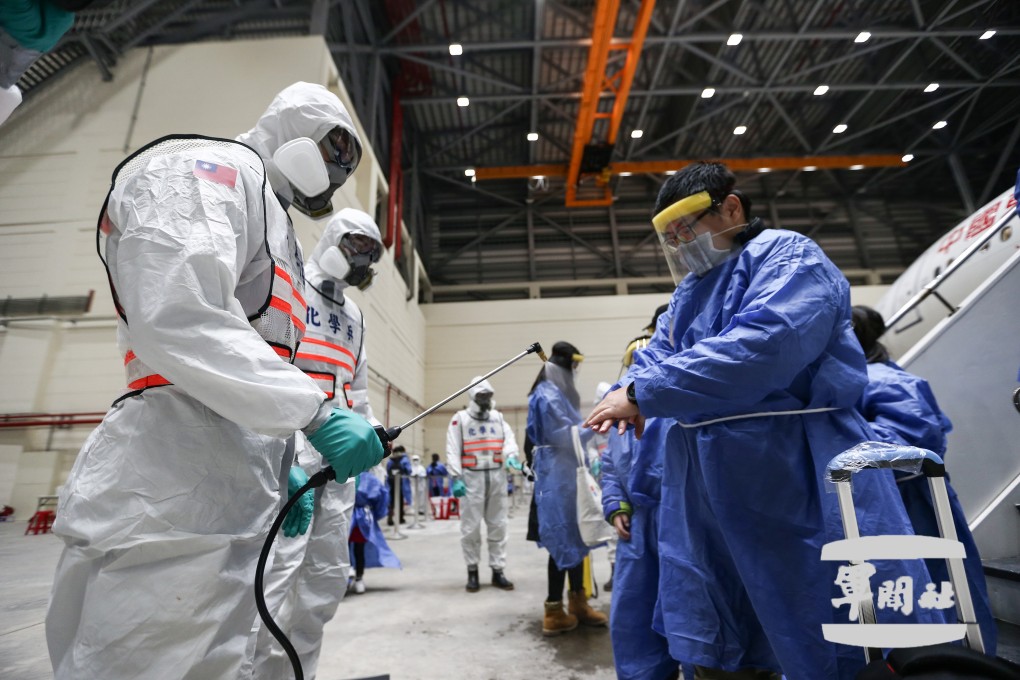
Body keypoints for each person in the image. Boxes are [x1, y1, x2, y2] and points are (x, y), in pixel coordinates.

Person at [45, 82, 384, 679]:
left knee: (225, 649)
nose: (334, 173)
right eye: (333, 150)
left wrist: (283, 458)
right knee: (151, 654)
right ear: (292, 130)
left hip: (234, 472)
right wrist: (315, 414)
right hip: (172, 473)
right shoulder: (205, 171)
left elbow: (258, 350)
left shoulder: (274, 220)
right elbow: (180, 313)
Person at [584, 162, 942, 679]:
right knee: (717, 625)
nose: (683, 246)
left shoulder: (788, 256)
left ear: (731, 208)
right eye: (672, 238)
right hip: (705, 484)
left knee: (815, 612)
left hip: (789, 468)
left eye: (689, 230)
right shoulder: (688, 293)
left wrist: (643, 392)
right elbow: (655, 357)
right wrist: (630, 389)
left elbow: (766, 344)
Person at [248, 208, 385, 680]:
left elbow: (358, 389)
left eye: (371, 252)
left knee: (324, 580)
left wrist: (373, 448)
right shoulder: (288, 286)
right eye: (355, 245)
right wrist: (272, 448)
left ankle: (294, 674)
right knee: (273, 576)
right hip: (290, 453)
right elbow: (260, 366)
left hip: (339, 459)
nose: (363, 260)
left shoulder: (355, 316)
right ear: (331, 238)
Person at [851, 305, 997, 654]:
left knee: (935, 595)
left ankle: (956, 666)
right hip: (886, 509)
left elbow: (913, 439)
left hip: (911, 508)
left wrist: (831, 438)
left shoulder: (886, 381)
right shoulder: (865, 381)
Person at [601, 312, 679, 680]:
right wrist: (616, 505)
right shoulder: (618, 407)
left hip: (683, 519)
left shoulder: (680, 398)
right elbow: (609, 463)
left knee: (695, 616)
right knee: (634, 619)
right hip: (638, 525)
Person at [527, 342, 608, 636]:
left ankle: (578, 603)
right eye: (574, 366)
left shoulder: (557, 393)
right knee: (561, 540)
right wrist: (597, 423)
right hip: (557, 476)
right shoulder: (547, 395)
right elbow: (560, 435)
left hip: (567, 473)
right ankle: (553, 610)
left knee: (577, 536)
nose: (576, 372)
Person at [446, 378, 519, 592]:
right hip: (471, 480)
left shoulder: (498, 419)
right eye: (481, 396)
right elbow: (452, 448)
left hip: (496, 477)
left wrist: (512, 455)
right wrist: (456, 476)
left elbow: (509, 440)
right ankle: (472, 571)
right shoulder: (460, 420)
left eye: (488, 395)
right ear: (472, 397)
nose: (485, 400)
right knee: (470, 528)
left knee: (499, 525)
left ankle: (498, 571)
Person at [349, 469, 402, 594]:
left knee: (355, 547)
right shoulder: (370, 478)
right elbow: (382, 500)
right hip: (354, 515)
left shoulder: (362, 477)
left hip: (359, 517)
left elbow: (381, 497)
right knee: (353, 548)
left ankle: (357, 576)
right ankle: (354, 576)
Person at [588, 381, 616, 592]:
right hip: (604, 481)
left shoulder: (622, 416)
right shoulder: (594, 424)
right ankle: (615, 571)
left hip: (622, 478)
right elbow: (587, 446)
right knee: (612, 526)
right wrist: (594, 460)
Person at [387, 445, 412, 525]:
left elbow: (388, 471)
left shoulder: (390, 460)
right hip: (402, 483)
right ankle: (400, 518)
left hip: (391, 483)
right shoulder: (405, 459)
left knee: (391, 501)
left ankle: (390, 518)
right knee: (400, 501)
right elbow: (409, 471)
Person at [409, 453, 429, 521]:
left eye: (416, 459)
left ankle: (421, 509)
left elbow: (424, 475)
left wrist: (419, 475)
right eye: (414, 459)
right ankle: (413, 509)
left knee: (421, 498)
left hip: (421, 485)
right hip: (413, 485)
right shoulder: (410, 468)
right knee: (413, 497)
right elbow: (409, 476)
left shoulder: (421, 468)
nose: (415, 461)